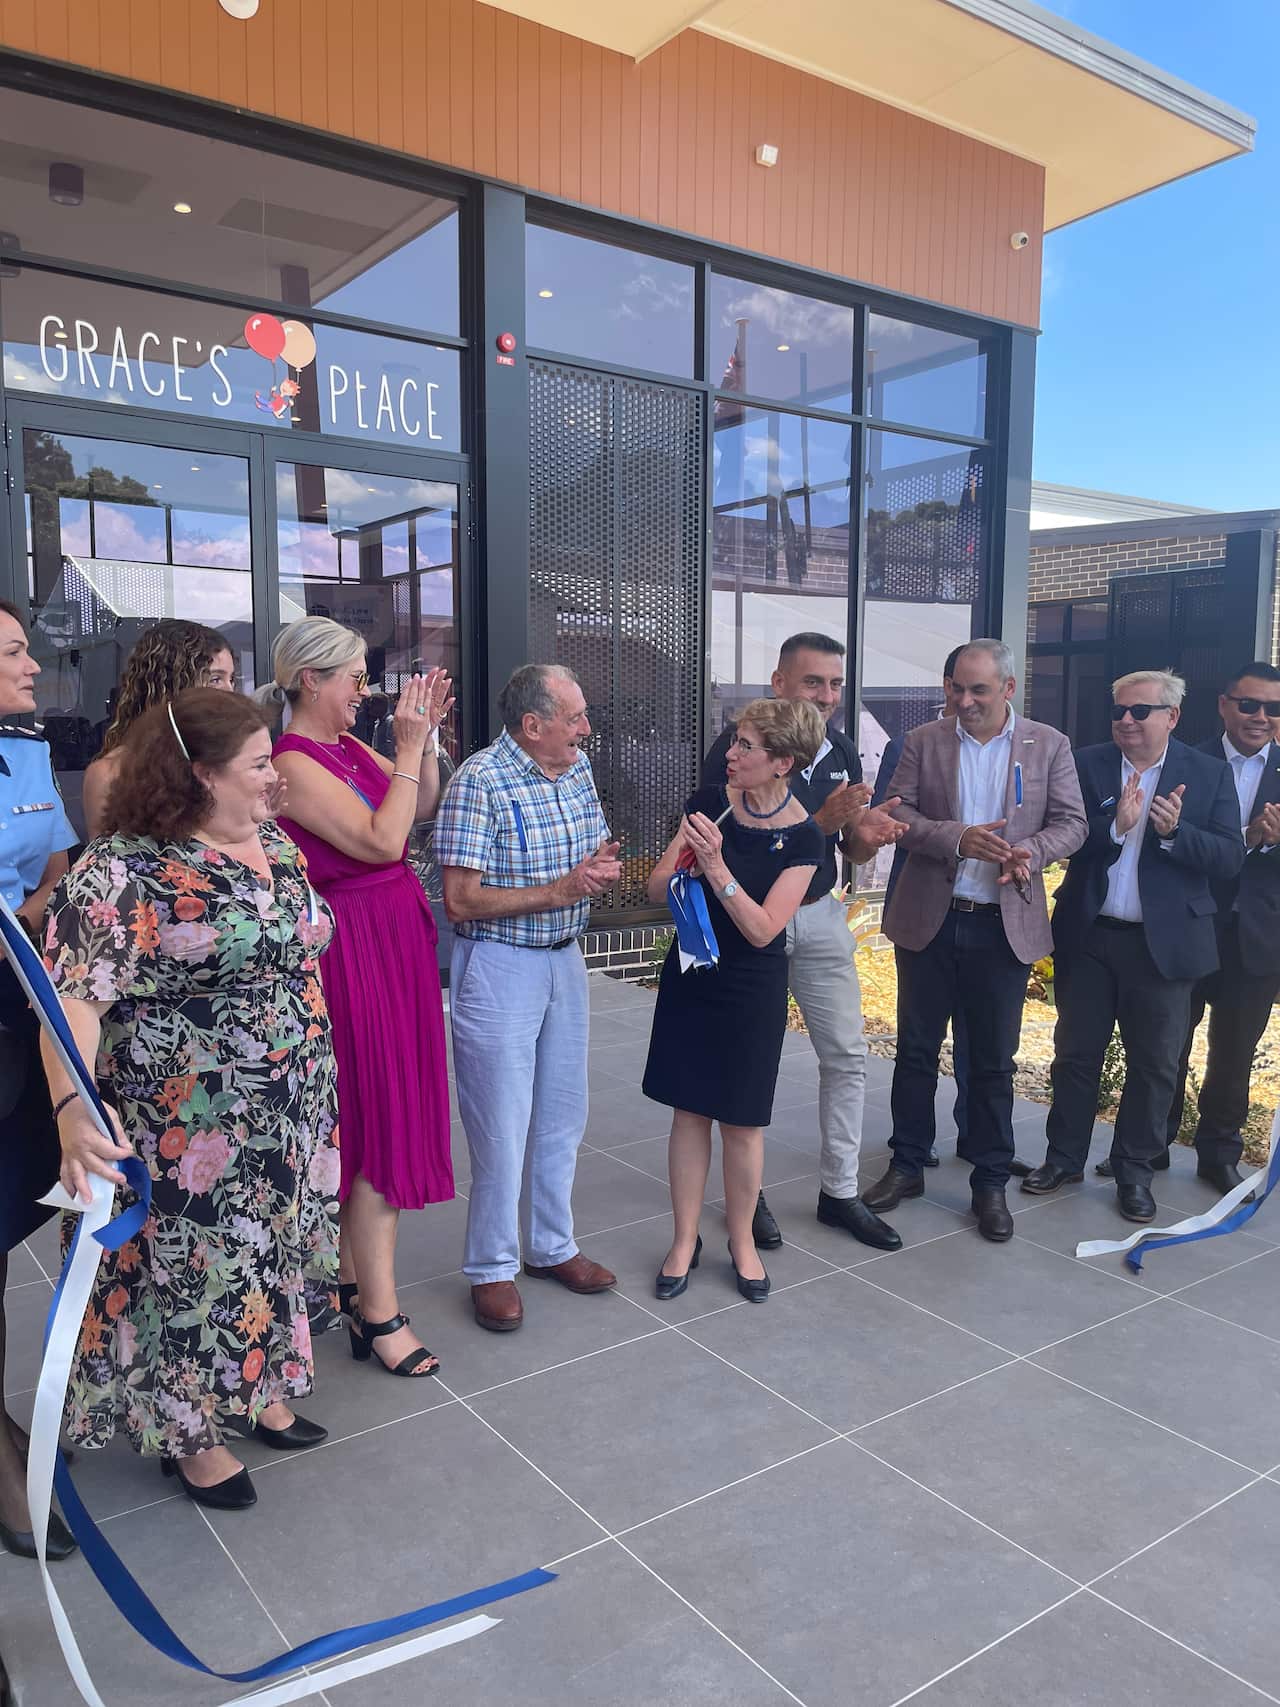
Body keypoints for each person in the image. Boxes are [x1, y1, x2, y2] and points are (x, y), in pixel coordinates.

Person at [42, 688, 340, 1510]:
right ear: (199, 773)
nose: (276, 774)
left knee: (266, 1251)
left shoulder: (272, 839)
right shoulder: (123, 869)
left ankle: (256, 1384)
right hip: (189, 1124)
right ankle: (191, 1434)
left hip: (287, 1106)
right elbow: (73, 1003)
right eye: (258, 763)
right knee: (193, 1272)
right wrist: (72, 1107)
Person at [268, 617, 454, 1378]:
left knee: (379, 1110)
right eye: (354, 676)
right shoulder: (293, 761)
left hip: (394, 942)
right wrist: (405, 749)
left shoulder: (347, 748)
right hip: (356, 952)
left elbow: (421, 803)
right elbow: (382, 841)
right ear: (310, 680)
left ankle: (352, 1287)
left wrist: (425, 740)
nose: (365, 691)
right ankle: (380, 1313)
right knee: (376, 1117)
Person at [865, 640, 1087, 1240]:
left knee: (992, 1061)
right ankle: (907, 1164)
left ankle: (989, 1181)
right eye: (956, 688)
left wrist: (1031, 850)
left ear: (1008, 689)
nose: (964, 701)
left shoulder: (1049, 744)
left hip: (1002, 924)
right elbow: (896, 814)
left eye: (978, 690)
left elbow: (1073, 823)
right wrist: (957, 838)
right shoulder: (923, 741)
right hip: (931, 919)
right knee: (915, 1051)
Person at [703, 634, 906, 1254]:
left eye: (836, 684)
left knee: (846, 1054)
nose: (828, 695)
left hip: (819, 916)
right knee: (749, 1060)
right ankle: (749, 1196)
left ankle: (839, 1192)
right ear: (779, 683)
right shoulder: (736, 750)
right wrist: (821, 822)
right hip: (753, 924)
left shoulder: (841, 750)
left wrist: (868, 835)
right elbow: (735, 852)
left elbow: (850, 850)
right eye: (814, 681)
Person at [436, 664, 621, 1333]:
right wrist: (561, 890)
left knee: (563, 1115)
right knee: (501, 1123)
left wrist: (597, 869)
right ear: (533, 724)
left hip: (564, 958)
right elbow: (460, 900)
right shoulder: (479, 781)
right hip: (501, 966)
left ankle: (550, 1246)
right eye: (574, 717)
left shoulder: (576, 767)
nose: (586, 728)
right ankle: (491, 1266)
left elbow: (589, 848)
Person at [1022, 669, 1244, 1222]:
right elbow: (1063, 835)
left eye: (1139, 711)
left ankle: (1134, 1172)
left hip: (1163, 947)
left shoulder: (1208, 773)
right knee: (1076, 1056)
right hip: (1090, 937)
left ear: (1172, 717)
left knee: (1154, 1065)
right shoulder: (1086, 763)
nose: (1125, 720)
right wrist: (1115, 828)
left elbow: (1228, 857)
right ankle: (1063, 1159)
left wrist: (1175, 834)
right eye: (1119, 710)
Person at [644, 698, 826, 1302]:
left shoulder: (805, 838)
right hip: (694, 974)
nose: (731, 753)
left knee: (743, 1122)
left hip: (751, 988)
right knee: (689, 1112)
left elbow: (764, 930)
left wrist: (717, 867)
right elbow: (655, 888)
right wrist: (685, 866)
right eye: (735, 740)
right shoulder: (708, 804)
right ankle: (683, 1240)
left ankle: (742, 1242)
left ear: (782, 761)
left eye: (746, 745)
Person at [1098, 662, 1280, 1196]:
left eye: (1273, 708)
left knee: (1235, 1051)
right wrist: (1243, 836)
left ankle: (1219, 1153)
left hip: (1257, 934)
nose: (1261, 716)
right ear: (1224, 705)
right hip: (1181, 928)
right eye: (1249, 704)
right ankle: (1150, 1146)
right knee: (1166, 1045)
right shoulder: (1183, 760)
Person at [0, 600, 78, 1562]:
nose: (33, 665)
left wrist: (24, 916)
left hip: (20, 1008)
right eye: (15, 651)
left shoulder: (25, 752)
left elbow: (58, 869)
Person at [82, 620, 236, 837]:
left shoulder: (234, 758)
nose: (230, 692)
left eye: (232, 679)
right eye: (216, 679)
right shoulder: (112, 773)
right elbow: (102, 855)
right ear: (173, 686)